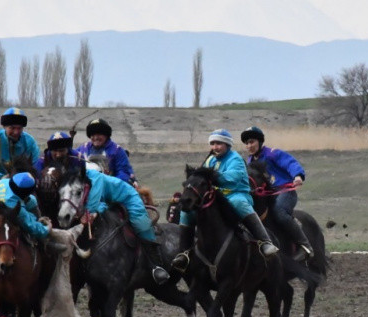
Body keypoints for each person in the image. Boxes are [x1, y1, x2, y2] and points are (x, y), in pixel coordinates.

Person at [172, 129, 278, 272]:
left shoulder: (235, 159)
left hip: (236, 194)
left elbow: (232, 179)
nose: (215, 147)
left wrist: (214, 176)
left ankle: (265, 242)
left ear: (227, 145)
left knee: (238, 203)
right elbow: (202, 178)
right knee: (187, 212)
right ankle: (184, 253)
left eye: (219, 143)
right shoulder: (210, 160)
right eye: (213, 143)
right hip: (215, 196)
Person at [83, 155, 169, 285]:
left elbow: (99, 204)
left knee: (142, 226)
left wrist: (94, 212)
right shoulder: (87, 183)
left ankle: (156, 266)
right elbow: (101, 203)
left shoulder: (96, 179)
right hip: (111, 202)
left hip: (129, 198)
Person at [240, 126, 314, 261]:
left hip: (285, 192)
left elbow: (290, 163)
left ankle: (305, 246)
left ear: (260, 141)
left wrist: (297, 176)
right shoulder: (250, 162)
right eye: (247, 143)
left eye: (252, 142)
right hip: (268, 195)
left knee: (279, 212)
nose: (249, 145)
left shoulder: (272, 153)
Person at [0, 107, 42, 186]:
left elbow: (36, 164)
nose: (16, 132)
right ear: (4, 126)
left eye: (19, 128)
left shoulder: (29, 141)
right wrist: (1, 177)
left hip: (21, 183)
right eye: (12, 128)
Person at [74, 118, 136, 184]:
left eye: (99, 134)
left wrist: (109, 184)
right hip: (86, 185)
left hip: (111, 187)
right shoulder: (83, 149)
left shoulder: (117, 151)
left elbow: (124, 172)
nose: (96, 138)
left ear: (106, 135)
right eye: (93, 135)